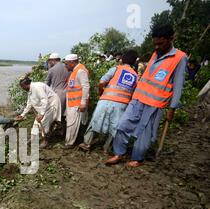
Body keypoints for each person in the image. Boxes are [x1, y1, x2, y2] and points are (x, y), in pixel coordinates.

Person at [106, 24, 187, 167]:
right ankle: (119, 153)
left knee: (145, 134)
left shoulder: (180, 57)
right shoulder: (155, 53)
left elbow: (178, 85)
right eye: (155, 43)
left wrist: (172, 108)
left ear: (171, 39)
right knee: (122, 125)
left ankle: (138, 158)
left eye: (160, 43)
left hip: (156, 103)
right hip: (138, 98)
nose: (157, 46)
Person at [79, 50, 139, 153]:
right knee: (115, 126)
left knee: (95, 120)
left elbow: (102, 82)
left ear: (122, 59)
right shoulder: (136, 76)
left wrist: (101, 92)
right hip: (122, 104)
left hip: (106, 100)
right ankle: (107, 148)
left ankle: (87, 144)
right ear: (134, 62)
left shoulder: (116, 69)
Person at [15, 77, 61, 148]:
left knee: (44, 122)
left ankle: (46, 141)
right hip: (44, 106)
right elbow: (29, 104)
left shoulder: (37, 87)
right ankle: (33, 138)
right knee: (36, 122)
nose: (22, 88)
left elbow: (44, 99)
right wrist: (22, 115)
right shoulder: (30, 90)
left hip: (51, 104)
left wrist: (42, 114)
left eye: (22, 87)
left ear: (26, 84)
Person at [64, 54, 90, 148]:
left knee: (72, 124)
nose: (66, 66)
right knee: (73, 123)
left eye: (66, 64)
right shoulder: (75, 71)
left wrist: (83, 103)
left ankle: (69, 143)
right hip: (73, 103)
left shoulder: (80, 71)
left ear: (72, 62)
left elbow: (86, 87)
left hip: (77, 104)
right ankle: (73, 141)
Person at [46, 52, 71, 133]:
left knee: (52, 115)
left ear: (53, 60)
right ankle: (62, 132)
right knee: (63, 116)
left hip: (57, 95)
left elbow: (47, 84)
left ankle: (48, 135)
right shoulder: (68, 67)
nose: (49, 62)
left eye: (50, 61)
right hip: (67, 94)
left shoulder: (52, 69)